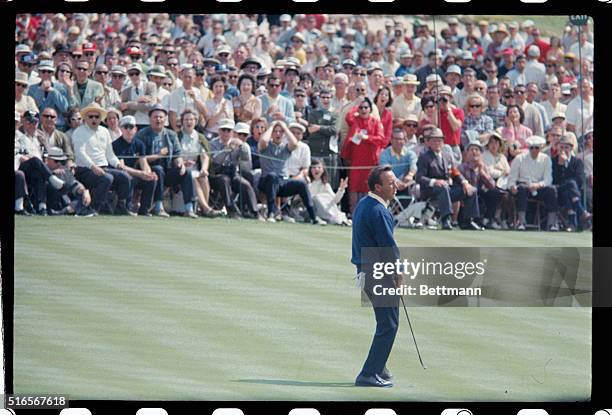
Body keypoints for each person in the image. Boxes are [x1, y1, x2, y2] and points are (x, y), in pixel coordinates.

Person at [352, 165, 399, 388]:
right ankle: (369, 373)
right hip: (377, 273)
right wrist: (397, 274)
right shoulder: (379, 210)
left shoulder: (365, 203)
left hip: (366, 271)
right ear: (378, 187)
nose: (396, 185)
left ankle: (379, 367)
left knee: (385, 322)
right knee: (388, 324)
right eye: (391, 183)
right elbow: (388, 248)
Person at [135, 104, 198, 218]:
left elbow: (177, 154)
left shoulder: (171, 134)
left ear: (165, 119)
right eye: (155, 117)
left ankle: (189, 208)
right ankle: (159, 207)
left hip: (168, 170)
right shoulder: (142, 134)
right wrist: (158, 155)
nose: (158, 119)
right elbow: (139, 158)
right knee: (158, 170)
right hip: (148, 171)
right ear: (150, 119)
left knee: (186, 172)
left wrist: (180, 163)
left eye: (161, 117)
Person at [71, 103, 135, 216]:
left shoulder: (104, 131)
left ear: (101, 118)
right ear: (85, 118)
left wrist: (119, 165)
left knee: (125, 177)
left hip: (103, 168)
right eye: (91, 117)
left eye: (97, 117)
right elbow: (80, 153)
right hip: (84, 170)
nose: (94, 119)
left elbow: (110, 155)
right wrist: (93, 166)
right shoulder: (79, 132)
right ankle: (91, 208)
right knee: (107, 178)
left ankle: (121, 207)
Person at [416, 128, 481, 230]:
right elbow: (419, 177)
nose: (437, 143)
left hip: (446, 189)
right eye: (434, 140)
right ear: (429, 142)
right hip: (430, 190)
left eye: (439, 140)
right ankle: (446, 219)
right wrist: (434, 181)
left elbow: (455, 172)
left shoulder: (446, 156)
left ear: (443, 142)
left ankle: (468, 221)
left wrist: (464, 182)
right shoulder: (424, 157)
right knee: (444, 188)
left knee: (471, 190)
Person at [258, 120, 320, 224]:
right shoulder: (265, 147)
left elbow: (295, 143)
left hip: (282, 182)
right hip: (266, 182)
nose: (278, 134)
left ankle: (313, 216)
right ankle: (271, 213)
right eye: (275, 131)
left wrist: (285, 128)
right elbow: (263, 140)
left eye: (280, 132)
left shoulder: (285, 148)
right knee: (272, 176)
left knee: (301, 184)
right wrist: (272, 125)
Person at [340, 97, 387, 213]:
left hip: (370, 160)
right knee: (354, 187)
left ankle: (368, 213)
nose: (363, 110)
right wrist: (357, 103)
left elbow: (381, 139)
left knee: (368, 187)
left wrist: (367, 138)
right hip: (356, 160)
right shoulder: (355, 120)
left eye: (366, 107)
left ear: (370, 109)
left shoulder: (375, 122)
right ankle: (353, 212)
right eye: (361, 108)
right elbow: (348, 116)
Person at [507, 135, 559, 231]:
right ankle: (521, 222)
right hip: (524, 186)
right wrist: (512, 186)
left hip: (539, 188)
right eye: (532, 148)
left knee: (552, 190)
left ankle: (552, 223)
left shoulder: (546, 159)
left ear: (540, 148)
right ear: (528, 148)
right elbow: (512, 178)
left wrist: (538, 185)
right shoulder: (519, 158)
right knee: (521, 189)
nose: (534, 150)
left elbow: (548, 179)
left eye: (537, 148)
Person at [111, 115, 159, 216]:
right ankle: (126, 208)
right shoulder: (116, 145)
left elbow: (143, 162)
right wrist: (141, 173)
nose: (129, 130)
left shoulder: (139, 144)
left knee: (151, 178)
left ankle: (144, 209)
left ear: (136, 129)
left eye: (131, 127)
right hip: (120, 175)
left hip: (135, 174)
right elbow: (121, 166)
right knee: (128, 177)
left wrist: (148, 173)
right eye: (126, 127)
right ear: (121, 129)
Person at [552, 135, 591, 231]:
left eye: (566, 147)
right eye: (561, 147)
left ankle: (572, 224)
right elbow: (555, 179)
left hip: (573, 191)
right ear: (558, 147)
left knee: (570, 186)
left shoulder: (577, 162)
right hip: (559, 190)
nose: (564, 150)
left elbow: (579, 179)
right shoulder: (554, 161)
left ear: (571, 148)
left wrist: (567, 164)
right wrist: (560, 166)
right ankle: (582, 211)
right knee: (570, 185)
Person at [308, 159, 350, 225]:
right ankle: (336, 220)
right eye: (314, 167)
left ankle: (337, 219)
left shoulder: (326, 185)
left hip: (327, 211)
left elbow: (335, 200)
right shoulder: (307, 184)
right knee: (316, 198)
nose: (316, 169)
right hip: (313, 211)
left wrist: (341, 189)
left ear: (323, 170)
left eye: (319, 167)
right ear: (310, 170)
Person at [379, 128, 417, 197]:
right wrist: (396, 181)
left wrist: (410, 175)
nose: (398, 141)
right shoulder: (384, 154)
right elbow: (386, 171)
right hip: (390, 184)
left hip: (406, 184)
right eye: (396, 139)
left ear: (405, 140)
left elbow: (414, 165)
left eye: (401, 139)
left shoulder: (410, 153)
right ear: (391, 140)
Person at [120, 63, 157, 130]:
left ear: (141, 74)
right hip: (132, 125)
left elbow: (151, 106)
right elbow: (124, 110)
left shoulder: (150, 86)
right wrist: (138, 101)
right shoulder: (125, 91)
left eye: (137, 73)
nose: (134, 76)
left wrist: (129, 104)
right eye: (131, 74)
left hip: (148, 124)